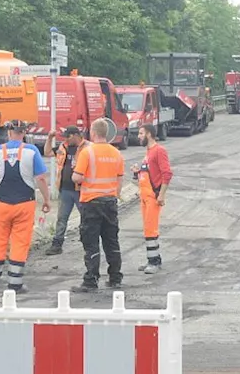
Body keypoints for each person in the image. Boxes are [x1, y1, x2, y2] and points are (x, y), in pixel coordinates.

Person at [0, 119, 51, 293]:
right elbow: (40, 178)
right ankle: (15, 283)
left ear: (9, 133)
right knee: (20, 242)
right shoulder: (32, 151)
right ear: (24, 133)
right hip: (24, 203)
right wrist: (46, 199)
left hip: (2, 203)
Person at [72, 117, 125, 292]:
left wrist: (76, 177)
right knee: (111, 241)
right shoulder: (116, 153)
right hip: (110, 202)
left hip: (91, 202)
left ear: (93, 133)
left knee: (91, 242)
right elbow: (119, 179)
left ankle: (91, 280)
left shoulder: (87, 153)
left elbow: (77, 177)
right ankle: (115, 277)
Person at [135, 123, 173, 274]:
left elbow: (167, 173)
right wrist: (138, 171)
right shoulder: (149, 152)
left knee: (151, 228)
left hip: (152, 196)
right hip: (145, 196)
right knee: (147, 228)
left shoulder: (159, 151)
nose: (138, 136)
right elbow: (150, 172)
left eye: (141, 133)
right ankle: (153, 258)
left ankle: (154, 262)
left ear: (149, 134)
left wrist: (161, 194)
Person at [43, 125, 88, 255]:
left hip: (82, 190)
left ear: (75, 135)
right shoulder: (63, 147)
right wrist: (49, 138)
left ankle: (88, 244)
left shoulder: (87, 148)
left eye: (68, 137)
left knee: (86, 218)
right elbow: (47, 153)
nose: (66, 140)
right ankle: (57, 245)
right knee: (62, 218)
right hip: (65, 190)